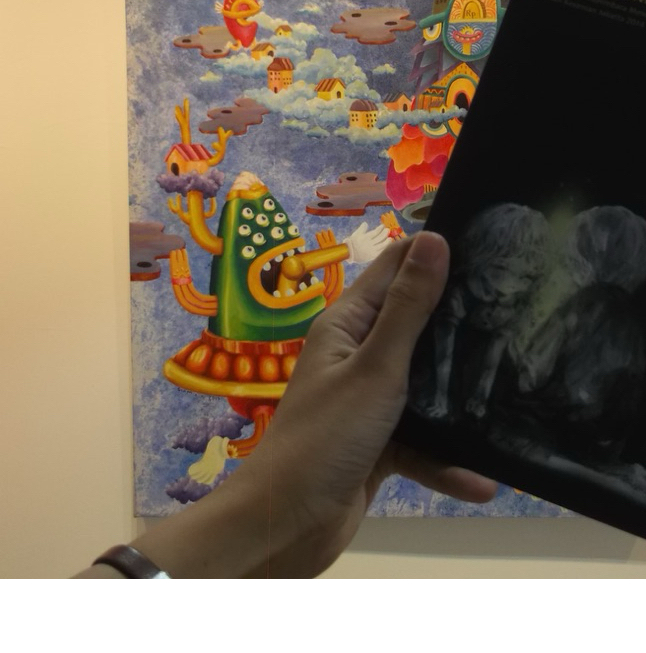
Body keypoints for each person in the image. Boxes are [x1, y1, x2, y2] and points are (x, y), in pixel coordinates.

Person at [77, 232, 497, 579]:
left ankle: (231, 447)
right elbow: (288, 274)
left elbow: (303, 277)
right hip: (250, 361)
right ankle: (231, 446)